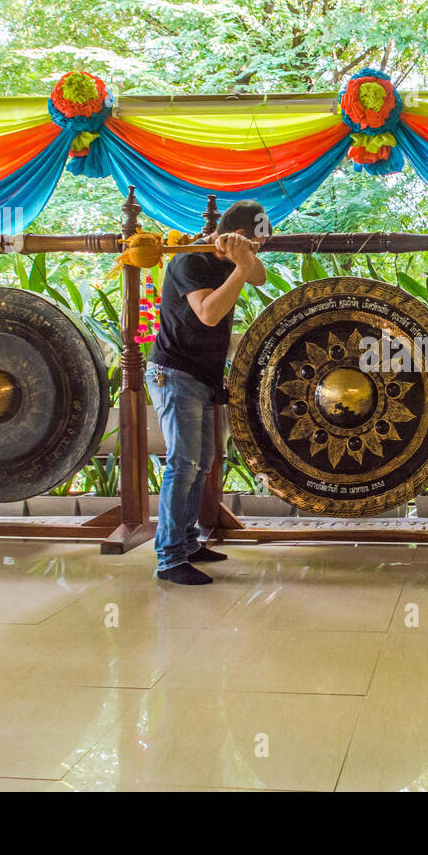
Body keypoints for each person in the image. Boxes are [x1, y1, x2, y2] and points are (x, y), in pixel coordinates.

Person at [145, 200, 268, 585]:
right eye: (256, 244)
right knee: (183, 462)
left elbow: (260, 277)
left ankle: (188, 542)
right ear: (242, 237)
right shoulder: (190, 260)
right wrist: (241, 266)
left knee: (202, 459)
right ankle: (169, 558)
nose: (257, 254)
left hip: (200, 375)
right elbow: (210, 313)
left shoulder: (232, 260)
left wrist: (243, 261)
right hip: (174, 371)